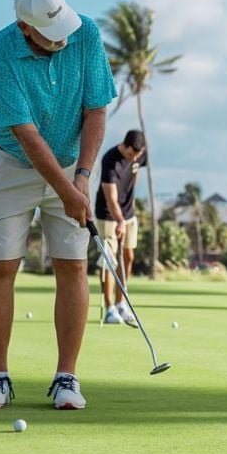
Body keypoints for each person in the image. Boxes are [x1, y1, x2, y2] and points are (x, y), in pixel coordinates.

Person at [0, 0, 116, 411]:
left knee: (73, 265)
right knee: (2, 265)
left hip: (73, 161)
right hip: (11, 161)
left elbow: (96, 110)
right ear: (24, 28)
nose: (64, 39)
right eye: (52, 34)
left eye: (65, 28)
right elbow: (25, 132)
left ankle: (66, 378)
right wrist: (66, 191)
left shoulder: (86, 33)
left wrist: (84, 178)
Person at [95, 129, 147, 327]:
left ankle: (121, 303)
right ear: (124, 146)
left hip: (129, 215)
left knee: (128, 257)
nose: (133, 158)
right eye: (130, 154)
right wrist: (119, 221)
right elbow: (110, 197)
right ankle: (110, 310)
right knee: (109, 261)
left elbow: (136, 169)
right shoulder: (111, 160)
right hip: (108, 216)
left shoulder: (140, 154)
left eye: (137, 156)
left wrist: (126, 217)